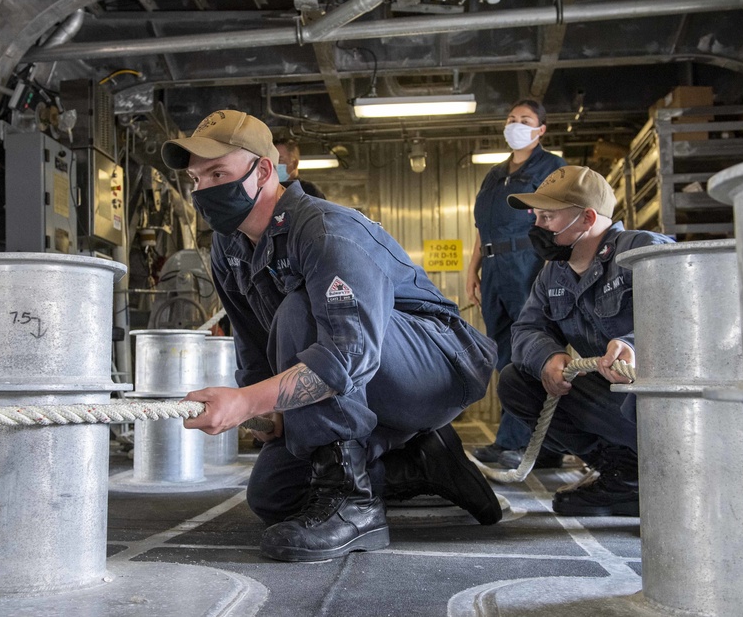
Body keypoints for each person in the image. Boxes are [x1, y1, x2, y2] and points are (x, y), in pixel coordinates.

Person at [161, 109, 500, 563]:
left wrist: (247, 402)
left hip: (438, 367)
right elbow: (252, 345)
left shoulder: (322, 229)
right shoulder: (228, 247)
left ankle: (352, 503)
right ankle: (419, 461)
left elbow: (348, 355)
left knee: (300, 309)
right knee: (273, 498)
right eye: (197, 179)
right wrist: (266, 408)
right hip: (364, 374)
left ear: (263, 170)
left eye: (218, 173)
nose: (204, 190)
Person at [497, 165, 673, 516]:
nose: (538, 227)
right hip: (611, 398)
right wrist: (547, 357)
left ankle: (673, 479)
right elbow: (526, 329)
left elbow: (687, 316)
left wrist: (634, 345)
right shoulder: (553, 273)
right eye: (538, 216)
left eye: (548, 217)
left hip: (662, 404)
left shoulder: (643, 252)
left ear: (586, 218)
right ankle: (623, 475)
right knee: (516, 381)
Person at [467, 99, 566, 470]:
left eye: (525, 120)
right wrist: (472, 269)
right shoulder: (494, 174)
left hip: (530, 263)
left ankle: (531, 441)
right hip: (493, 267)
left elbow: (562, 218)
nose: (516, 124)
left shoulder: (553, 167)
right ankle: (522, 438)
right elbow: (482, 226)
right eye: (511, 118)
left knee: (533, 347)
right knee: (504, 353)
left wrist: (554, 269)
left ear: (541, 130)